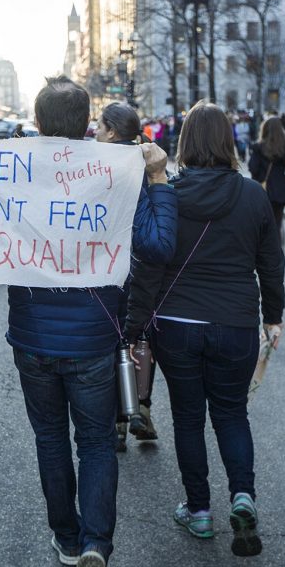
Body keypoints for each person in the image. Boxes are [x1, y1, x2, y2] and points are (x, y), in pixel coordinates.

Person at [0, 76, 175, 567]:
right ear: (86, 124)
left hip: (32, 340)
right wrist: (159, 178)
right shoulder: (110, 172)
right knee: (97, 443)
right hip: (95, 340)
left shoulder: (14, 167)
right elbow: (159, 245)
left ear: (37, 122)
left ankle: (66, 537)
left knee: (51, 439)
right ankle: (95, 546)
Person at [125, 101, 284, 559]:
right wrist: (273, 316)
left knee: (189, 419)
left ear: (185, 142)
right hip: (234, 322)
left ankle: (198, 510)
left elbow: (148, 268)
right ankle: (242, 497)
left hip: (176, 325)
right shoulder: (253, 195)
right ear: (228, 141)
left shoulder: (168, 194)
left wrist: (134, 330)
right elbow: (270, 265)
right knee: (232, 413)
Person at [95, 101, 171, 449]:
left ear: (111, 130)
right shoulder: (151, 163)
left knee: (113, 339)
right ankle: (141, 406)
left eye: (99, 126)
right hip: (147, 270)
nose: (95, 131)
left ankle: (117, 422)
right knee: (142, 337)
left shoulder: (97, 166)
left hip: (110, 265)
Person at [248, 116, 285, 241]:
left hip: (262, 189)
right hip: (280, 190)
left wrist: (259, 178)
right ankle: (277, 252)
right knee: (277, 222)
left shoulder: (258, 147)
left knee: (262, 223)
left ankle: (265, 252)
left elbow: (253, 168)